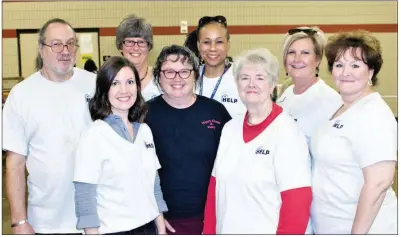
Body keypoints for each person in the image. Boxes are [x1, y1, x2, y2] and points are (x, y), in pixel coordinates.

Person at [203, 48, 312, 234]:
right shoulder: (230, 129)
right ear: (237, 84)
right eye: (244, 78)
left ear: (272, 85)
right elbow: (215, 189)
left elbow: (297, 200)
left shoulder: (287, 132)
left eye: (260, 78)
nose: (251, 84)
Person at [3, 18, 96, 234]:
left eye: (70, 43)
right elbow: (15, 164)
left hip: (97, 215)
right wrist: (19, 221)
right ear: (41, 49)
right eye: (56, 44)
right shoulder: (21, 95)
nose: (65, 51)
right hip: (47, 221)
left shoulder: (94, 85)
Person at [310, 30, 397, 234]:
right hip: (331, 224)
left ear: (371, 72)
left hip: (364, 229)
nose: (345, 72)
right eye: (339, 65)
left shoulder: (374, 113)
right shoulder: (342, 108)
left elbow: (379, 183)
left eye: (355, 65)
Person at [73, 56, 167, 234]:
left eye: (130, 82)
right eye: (115, 83)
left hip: (150, 227)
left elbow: (153, 184)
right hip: (114, 230)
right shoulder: (94, 135)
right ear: (104, 89)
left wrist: (161, 227)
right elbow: (85, 196)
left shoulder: (145, 131)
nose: (124, 90)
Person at [145, 45, 231, 234]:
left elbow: (233, 164)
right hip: (161, 220)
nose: (177, 78)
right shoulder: (144, 115)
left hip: (211, 216)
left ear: (195, 75)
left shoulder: (216, 112)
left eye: (184, 71)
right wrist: (154, 214)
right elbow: (135, 171)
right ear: (159, 76)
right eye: (169, 72)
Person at [277, 26, 342, 147]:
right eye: (291, 52)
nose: (297, 59)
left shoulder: (331, 101)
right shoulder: (286, 95)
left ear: (318, 59)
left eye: (305, 53)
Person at [195, 15, 246, 118]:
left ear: (228, 45)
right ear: (198, 45)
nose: (212, 48)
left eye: (219, 42)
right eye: (206, 42)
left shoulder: (243, 78)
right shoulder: (188, 78)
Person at [116, 14, 161, 101]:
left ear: (149, 46)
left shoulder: (161, 78)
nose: (136, 48)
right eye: (129, 42)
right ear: (120, 46)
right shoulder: (111, 79)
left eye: (141, 42)